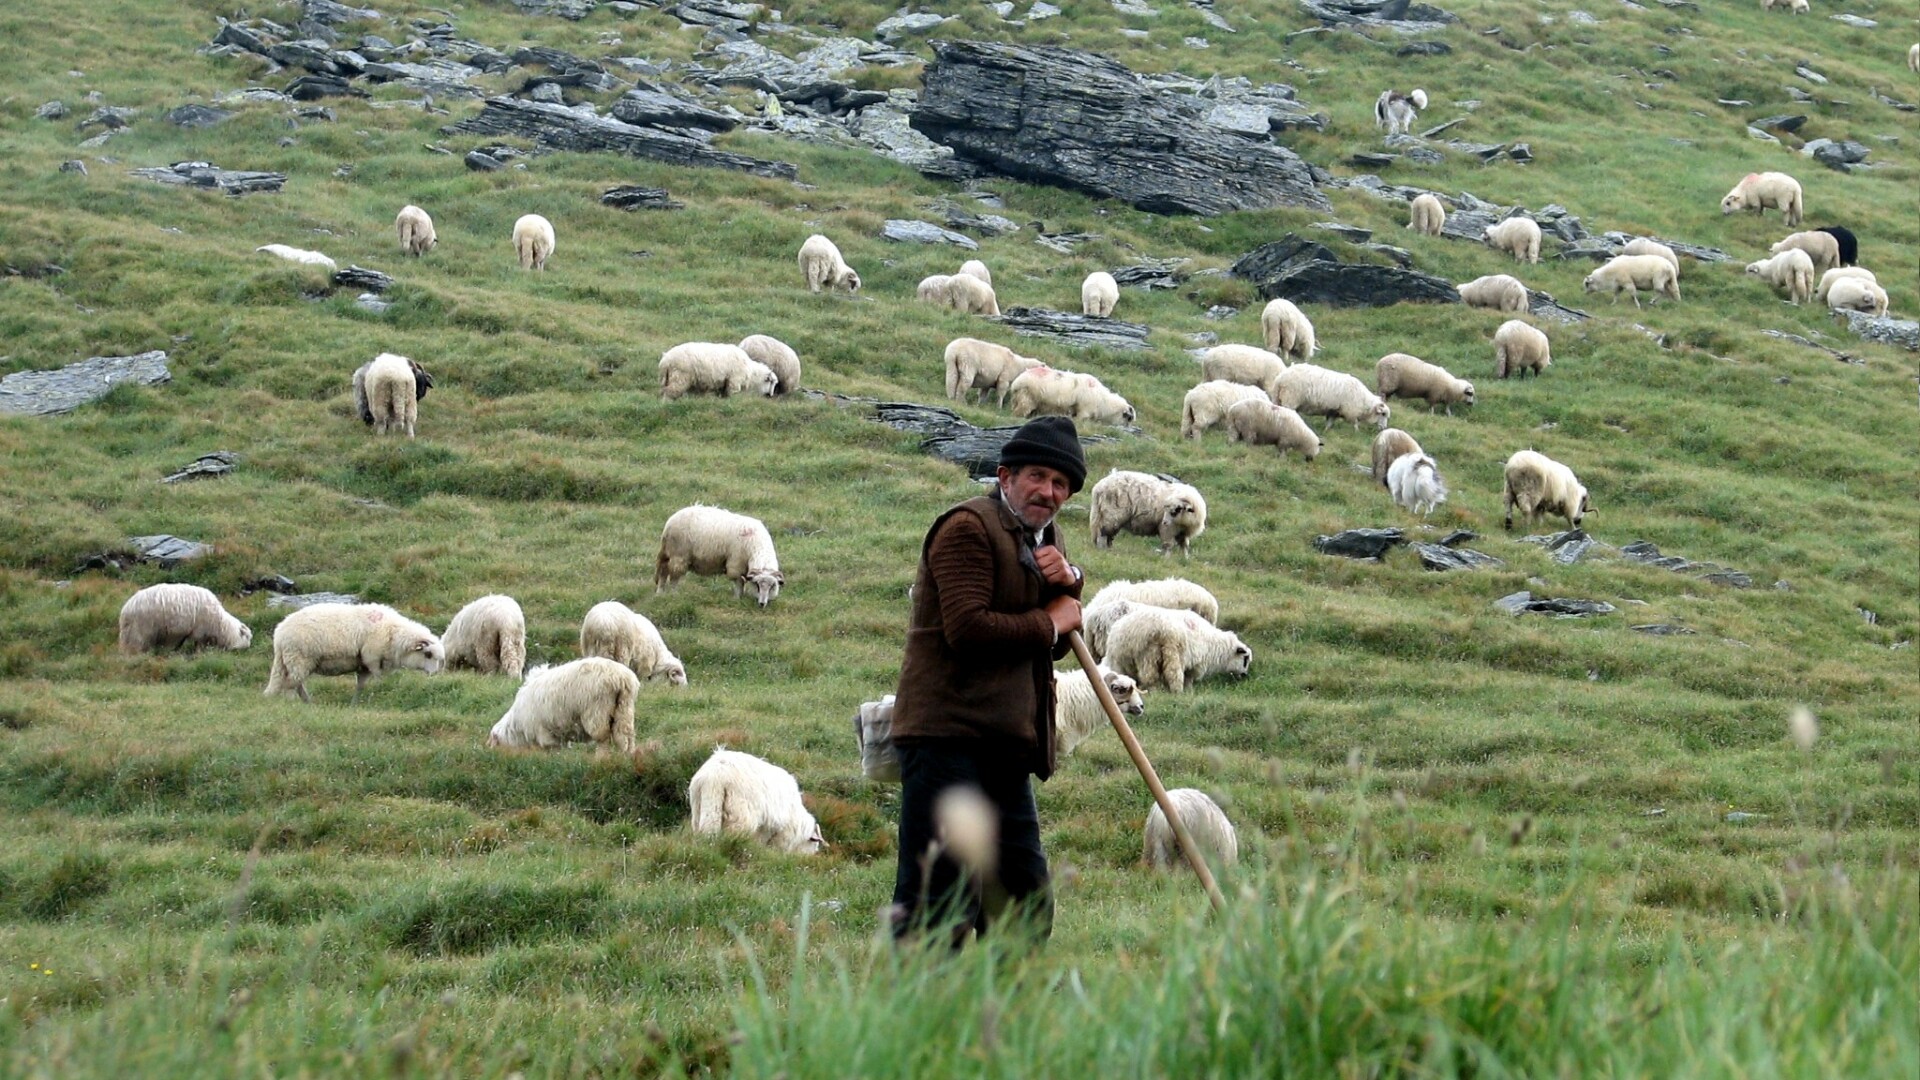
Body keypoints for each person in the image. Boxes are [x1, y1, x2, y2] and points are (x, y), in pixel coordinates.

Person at [887, 414, 1088, 947]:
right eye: (1037, 477)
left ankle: (1007, 1023)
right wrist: (1053, 618)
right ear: (1005, 476)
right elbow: (967, 629)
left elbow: (1057, 646)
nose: (1048, 491)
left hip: (1004, 745)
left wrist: (1069, 588)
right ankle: (922, 1024)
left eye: (1061, 484)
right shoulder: (967, 528)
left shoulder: (1046, 539)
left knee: (1024, 901)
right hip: (947, 738)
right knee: (940, 901)